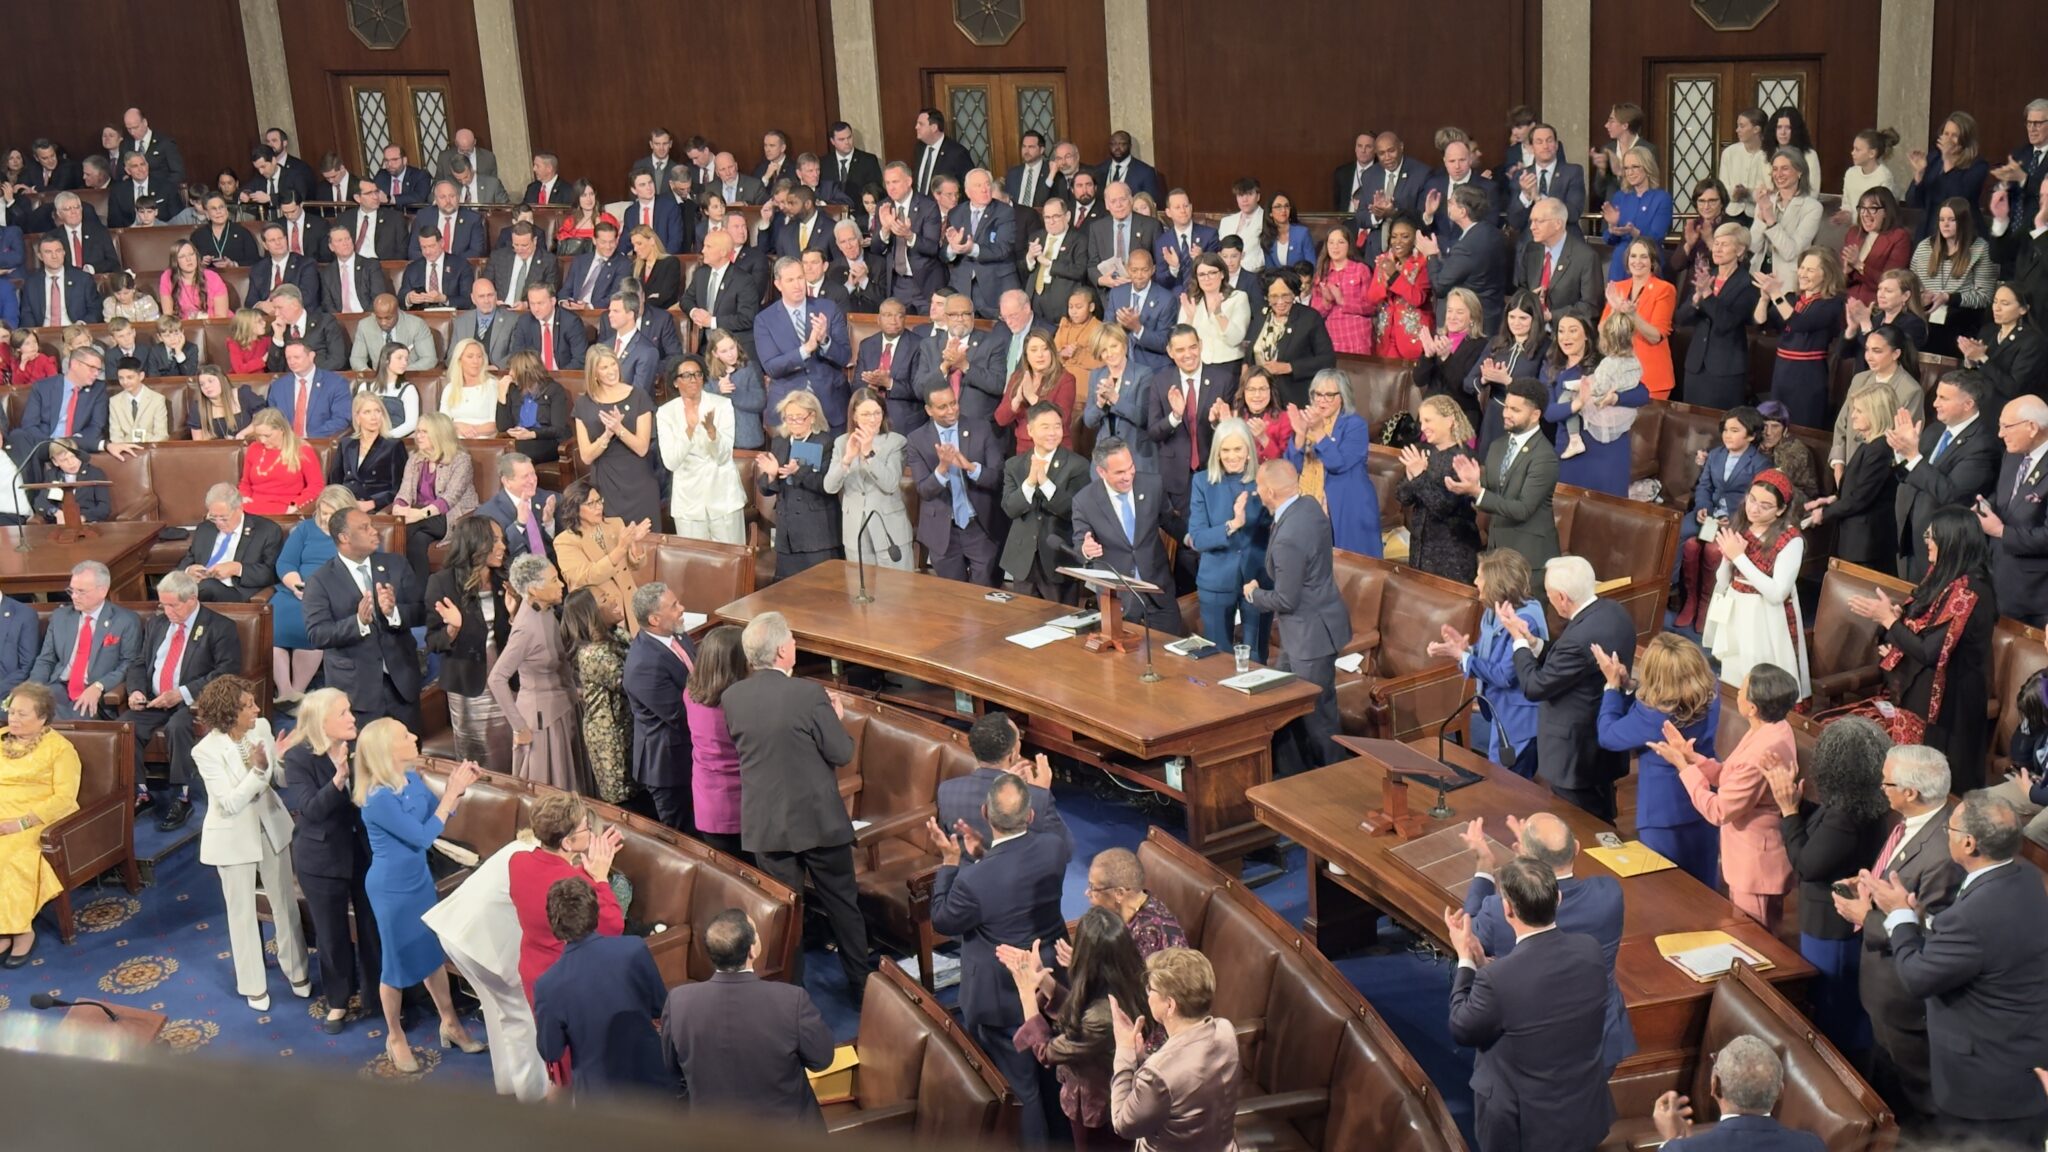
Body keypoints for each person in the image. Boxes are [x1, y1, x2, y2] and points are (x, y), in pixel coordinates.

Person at [1864, 791, 2048, 1145]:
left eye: (1949, 828)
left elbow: (1916, 977)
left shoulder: (1972, 917)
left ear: (1968, 843)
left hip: (1983, 1091)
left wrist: (1899, 916)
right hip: (2021, 1067)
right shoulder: (2025, 879)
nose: (1945, 834)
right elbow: (1983, 941)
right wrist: (1923, 920)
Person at [720, 612, 870, 994]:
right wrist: (836, 720)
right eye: (792, 640)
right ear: (782, 651)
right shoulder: (808, 695)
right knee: (843, 907)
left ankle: (791, 995)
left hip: (767, 825)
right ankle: (860, 988)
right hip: (818, 822)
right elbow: (841, 753)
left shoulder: (732, 698)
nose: (795, 645)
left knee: (786, 917)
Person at [927, 773, 1072, 1142]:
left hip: (1002, 997)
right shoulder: (1054, 848)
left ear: (984, 813)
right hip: (1053, 982)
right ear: (1030, 816)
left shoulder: (973, 881)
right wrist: (983, 854)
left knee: (1023, 1091)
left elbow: (943, 919)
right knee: (1058, 1080)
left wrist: (950, 862)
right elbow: (1014, 874)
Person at [1444, 857, 1613, 1152]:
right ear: (1557, 899)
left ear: (1507, 909)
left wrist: (1466, 960)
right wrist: (1485, 964)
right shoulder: (1590, 949)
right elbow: (1536, 996)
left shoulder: (1498, 980)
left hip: (1523, 1129)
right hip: (1581, 1113)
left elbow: (1462, 1027)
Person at [1835, 743, 1960, 1124]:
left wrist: (1865, 915)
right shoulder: (1913, 822)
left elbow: (1931, 940)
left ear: (1910, 792)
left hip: (1906, 1004)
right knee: (1888, 1089)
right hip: (1884, 995)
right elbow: (1900, 892)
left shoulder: (1944, 854)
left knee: (1915, 1106)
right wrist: (1869, 888)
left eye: (1886, 782)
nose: (1880, 787)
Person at [1459, 812, 1635, 1075]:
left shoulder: (1501, 911)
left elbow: (1468, 933)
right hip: (1599, 1042)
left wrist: (1484, 864)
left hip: (1532, 1052)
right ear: (1576, 848)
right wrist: (1530, 858)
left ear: (1524, 856)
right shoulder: (1609, 895)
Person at [1846, 505, 1998, 790]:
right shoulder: (1942, 574)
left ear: (1952, 540)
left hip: (1952, 704)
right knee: (1909, 776)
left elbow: (1931, 651)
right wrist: (1898, 618)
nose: (1927, 542)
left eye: (1932, 536)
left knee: (1939, 781)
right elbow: (1924, 624)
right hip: (1919, 690)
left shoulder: (1970, 590)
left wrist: (1889, 620)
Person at [1766, 715, 1892, 1057]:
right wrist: (1795, 804)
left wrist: (1789, 812)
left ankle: (1843, 1074)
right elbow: (1821, 825)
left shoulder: (1847, 816)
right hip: (1838, 925)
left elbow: (1807, 865)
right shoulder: (1861, 802)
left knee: (1834, 1013)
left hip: (1832, 928)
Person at [192, 676, 311, 1012]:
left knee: (285, 903)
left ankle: (297, 970)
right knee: (242, 913)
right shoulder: (205, 751)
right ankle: (253, 984)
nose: (257, 709)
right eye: (248, 706)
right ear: (229, 713)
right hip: (232, 837)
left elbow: (279, 779)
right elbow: (229, 803)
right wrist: (258, 772)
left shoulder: (261, 728)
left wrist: (282, 759)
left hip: (271, 826)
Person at [1651, 662, 1799, 931]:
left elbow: (1718, 810)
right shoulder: (1772, 727)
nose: (1737, 692)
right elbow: (1731, 776)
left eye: (1742, 688)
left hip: (1755, 865)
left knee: (1753, 940)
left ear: (1752, 708)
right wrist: (1692, 758)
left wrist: (1683, 768)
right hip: (1754, 854)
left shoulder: (1761, 751)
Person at [660, 908, 836, 1123]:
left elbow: (673, 1069)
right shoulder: (791, 1000)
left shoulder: (678, 1001)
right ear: (752, 950)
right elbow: (821, 1060)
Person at [1495, 555, 1637, 820]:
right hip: (1603, 737)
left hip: (1576, 754)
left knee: (1580, 824)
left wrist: (1518, 642)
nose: (1548, 600)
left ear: (1562, 597)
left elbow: (1535, 686)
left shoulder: (1578, 639)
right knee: (1602, 817)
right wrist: (1533, 642)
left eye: (1549, 595)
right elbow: (1570, 665)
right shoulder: (1614, 612)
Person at [277, 687, 381, 1033]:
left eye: (350, 710)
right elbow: (310, 810)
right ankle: (338, 1000)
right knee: (332, 934)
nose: (352, 718)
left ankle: (376, 995)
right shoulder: (299, 757)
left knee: (372, 927)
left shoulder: (361, 747)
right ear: (322, 722)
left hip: (363, 852)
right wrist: (339, 779)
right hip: (321, 859)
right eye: (343, 713)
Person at [1243, 460, 1350, 772]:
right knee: (1282, 704)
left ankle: (1340, 778)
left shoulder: (1289, 537)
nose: (1256, 492)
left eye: (1259, 486)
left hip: (1310, 637)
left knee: (1318, 717)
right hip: (1307, 631)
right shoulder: (1309, 505)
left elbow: (1286, 599)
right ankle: (1292, 774)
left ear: (1270, 491)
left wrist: (1253, 594)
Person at [120, 570, 238, 830]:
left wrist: (182, 693)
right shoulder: (157, 624)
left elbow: (226, 672)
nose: (168, 611)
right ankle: (141, 793)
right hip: (154, 699)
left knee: (177, 727)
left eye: (173, 605)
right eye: (163, 604)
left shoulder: (220, 626)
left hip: (195, 702)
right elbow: (139, 662)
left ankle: (181, 796)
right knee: (125, 727)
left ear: (192, 599)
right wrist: (136, 690)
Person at [531, 879, 666, 1101]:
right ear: (595, 912)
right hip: (651, 1075)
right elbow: (660, 1006)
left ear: (555, 926)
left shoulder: (548, 985)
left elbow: (551, 1050)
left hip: (599, 1093)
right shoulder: (634, 948)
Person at [1107, 946, 1239, 1151]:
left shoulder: (1157, 1074)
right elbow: (1185, 1080)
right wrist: (1142, 1058)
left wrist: (1124, 1052)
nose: (1147, 995)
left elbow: (1122, 1123)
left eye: (1150, 989)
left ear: (1170, 1005)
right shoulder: (1225, 1029)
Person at [304, 507, 424, 731]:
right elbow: (317, 634)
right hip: (356, 694)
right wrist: (358, 622)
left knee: (408, 750)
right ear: (344, 537)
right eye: (364, 527)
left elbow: (421, 611)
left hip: (402, 686)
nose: (374, 531)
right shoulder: (320, 582)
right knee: (363, 754)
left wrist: (394, 613)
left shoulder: (396, 565)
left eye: (372, 525)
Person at [508, 794, 625, 1009]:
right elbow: (613, 926)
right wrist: (600, 878)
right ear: (567, 842)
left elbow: (552, 879)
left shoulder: (517, 861)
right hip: (570, 980)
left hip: (534, 972)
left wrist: (587, 872)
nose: (590, 831)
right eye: (586, 827)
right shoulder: (575, 882)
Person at [1701, 471, 1810, 697]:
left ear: (1780, 509)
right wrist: (1727, 559)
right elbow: (1723, 581)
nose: (1754, 509)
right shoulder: (1742, 526)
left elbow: (1777, 593)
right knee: (1734, 675)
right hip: (1736, 609)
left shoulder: (1790, 540)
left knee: (1761, 680)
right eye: (1752, 499)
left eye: (1765, 505)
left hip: (1765, 617)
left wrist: (1739, 557)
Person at [1890, 371, 2000, 582]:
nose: (1935, 403)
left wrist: (1913, 456)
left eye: (1944, 398)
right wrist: (1901, 452)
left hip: (1941, 546)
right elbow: (1907, 475)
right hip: (1909, 536)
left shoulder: (1982, 445)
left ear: (1968, 404)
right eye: (1937, 396)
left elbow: (1954, 496)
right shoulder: (1935, 430)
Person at [0, 684, 78, 969]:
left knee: (9, 855)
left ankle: (21, 930)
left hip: (32, 820)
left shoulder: (60, 749)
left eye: (22, 714)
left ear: (42, 718)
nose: (13, 718)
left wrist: (19, 823)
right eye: (12, 712)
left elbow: (64, 799)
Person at [1073, 438, 1184, 638]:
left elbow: (1170, 522)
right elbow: (1080, 542)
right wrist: (1086, 549)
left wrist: (1194, 539)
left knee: (1170, 649)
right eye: (1119, 472)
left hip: (1158, 590)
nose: (1127, 476)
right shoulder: (1084, 501)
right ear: (1101, 472)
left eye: (1130, 467)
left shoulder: (1152, 485)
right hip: (1118, 597)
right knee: (1124, 654)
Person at [424, 515, 512, 768]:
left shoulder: (506, 578)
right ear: (476, 542)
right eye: (495, 540)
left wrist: (515, 615)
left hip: (508, 682)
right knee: (480, 761)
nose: (502, 546)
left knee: (514, 753)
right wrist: (454, 628)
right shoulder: (443, 582)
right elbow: (433, 641)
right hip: (470, 686)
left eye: (502, 539)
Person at [490, 554, 579, 792]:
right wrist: (519, 727)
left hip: (561, 708)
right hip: (542, 724)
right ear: (534, 590)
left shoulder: (543, 609)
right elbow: (496, 679)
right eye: (554, 580)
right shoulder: (526, 628)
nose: (561, 584)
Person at [1182, 417, 1269, 660]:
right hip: (1216, 581)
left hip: (1257, 581)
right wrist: (1233, 525)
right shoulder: (1202, 482)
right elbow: (1198, 538)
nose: (1232, 456)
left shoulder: (1263, 479)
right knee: (1217, 659)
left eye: (1238, 449)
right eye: (1225, 450)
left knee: (1256, 659)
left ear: (1249, 451)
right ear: (1217, 453)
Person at [1650, 1035, 1826, 1152]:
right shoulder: (1812, 1146)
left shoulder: (1680, 1150)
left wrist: (1673, 1140)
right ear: (1780, 1091)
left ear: (1715, 1086)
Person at [1676, 409, 1769, 631]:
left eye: (1735, 430)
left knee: (1712, 550)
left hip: (1737, 519)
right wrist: (1703, 508)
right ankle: (1688, 598)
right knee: (1682, 539)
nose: (1727, 435)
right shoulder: (1716, 455)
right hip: (1709, 515)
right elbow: (1704, 486)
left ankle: (1706, 603)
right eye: (1726, 430)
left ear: (1751, 435)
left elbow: (1755, 499)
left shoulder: (1760, 463)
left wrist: (1733, 517)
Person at [620, 582, 698, 835]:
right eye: (674, 606)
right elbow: (679, 714)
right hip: (667, 766)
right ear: (654, 619)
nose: (682, 608)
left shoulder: (677, 634)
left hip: (688, 752)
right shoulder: (644, 664)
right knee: (682, 836)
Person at [907, 384, 1003, 587]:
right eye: (942, 407)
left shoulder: (982, 428)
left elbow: (997, 478)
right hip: (942, 531)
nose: (951, 410)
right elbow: (924, 490)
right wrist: (942, 468)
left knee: (984, 593)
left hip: (979, 526)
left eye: (953, 403)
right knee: (953, 595)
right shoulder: (916, 440)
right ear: (929, 410)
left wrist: (970, 467)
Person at [269, 486, 356, 705]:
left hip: (330, 596)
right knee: (271, 627)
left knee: (311, 624)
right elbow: (285, 562)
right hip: (294, 592)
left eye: (331, 514)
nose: (325, 519)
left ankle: (298, 692)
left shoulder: (357, 534)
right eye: (322, 512)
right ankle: (285, 692)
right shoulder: (305, 529)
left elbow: (364, 568)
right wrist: (295, 584)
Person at [27, 560, 143, 721]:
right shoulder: (60, 617)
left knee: (54, 717)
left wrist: (99, 686)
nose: (74, 596)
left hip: (96, 692)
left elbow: (129, 663)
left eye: (81, 591)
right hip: (60, 686)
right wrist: (31, 690)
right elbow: (46, 659)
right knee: (26, 709)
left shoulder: (125, 621)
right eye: (71, 590)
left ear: (102, 591)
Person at [1283, 369, 1378, 556]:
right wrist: (1300, 434)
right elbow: (1290, 469)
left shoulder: (1355, 425)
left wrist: (1319, 431)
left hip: (1347, 508)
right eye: (1318, 394)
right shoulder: (1306, 421)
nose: (1322, 400)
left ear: (1342, 397)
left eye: (1329, 395)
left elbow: (1337, 464)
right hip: (1307, 505)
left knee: (1348, 569)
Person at [1753, 246, 1848, 430]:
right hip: (1782, 372)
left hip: (1807, 376)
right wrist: (1764, 298)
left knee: (1803, 428)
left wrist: (1775, 294)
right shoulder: (1792, 299)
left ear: (1826, 274)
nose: (1802, 274)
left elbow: (1799, 323)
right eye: (1802, 268)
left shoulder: (1832, 303)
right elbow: (1761, 323)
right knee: (1775, 425)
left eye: (1810, 270)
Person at [1808, 388, 1902, 571]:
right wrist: (1833, 499)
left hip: (1865, 546)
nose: (1853, 416)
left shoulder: (1880, 450)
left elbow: (1861, 497)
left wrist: (1825, 513)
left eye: (1859, 411)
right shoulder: (1870, 445)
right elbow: (1857, 488)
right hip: (1855, 539)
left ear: (1875, 413)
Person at [657, 355, 746, 545]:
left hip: (724, 497)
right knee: (695, 560)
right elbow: (671, 462)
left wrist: (712, 432)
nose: (693, 380)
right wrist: (689, 430)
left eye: (698, 374)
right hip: (689, 502)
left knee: (732, 558)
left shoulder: (721, 405)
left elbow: (724, 456)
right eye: (687, 375)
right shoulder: (666, 413)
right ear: (675, 382)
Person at [754, 389, 842, 581]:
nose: (794, 422)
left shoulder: (826, 443)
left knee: (820, 587)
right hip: (788, 535)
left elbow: (826, 486)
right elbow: (765, 489)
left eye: (799, 417)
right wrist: (771, 475)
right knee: (787, 589)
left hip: (817, 534)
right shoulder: (780, 441)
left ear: (812, 416)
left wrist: (798, 472)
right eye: (789, 417)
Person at [570, 344, 660, 529]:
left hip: (639, 482)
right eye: (604, 367)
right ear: (594, 373)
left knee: (646, 539)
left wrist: (619, 429)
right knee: (613, 539)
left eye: (613, 364)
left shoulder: (638, 396)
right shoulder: (583, 404)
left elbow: (642, 448)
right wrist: (607, 435)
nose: (611, 371)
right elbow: (586, 456)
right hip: (606, 484)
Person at [1978, 394, 2048, 625]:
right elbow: (2004, 498)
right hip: (1995, 577)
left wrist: (2000, 531)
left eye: (2007, 426)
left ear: (2032, 427)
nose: (2000, 434)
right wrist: (1985, 507)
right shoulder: (2012, 455)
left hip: (2033, 596)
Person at [1397, 395, 1481, 583]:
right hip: (1419, 550)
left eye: (1428, 420)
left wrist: (1419, 476)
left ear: (1449, 421)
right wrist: (1411, 476)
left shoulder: (1463, 458)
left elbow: (1442, 506)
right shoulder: (1422, 450)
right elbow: (1402, 496)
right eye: (1422, 421)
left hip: (1452, 554)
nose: (1423, 427)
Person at [391, 412, 477, 586]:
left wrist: (419, 514)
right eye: (418, 431)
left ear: (440, 433)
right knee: (417, 542)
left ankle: (391, 579)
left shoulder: (461, 460)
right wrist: (399, 507)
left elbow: (450, 499)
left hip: (451, 516)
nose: (418, 436)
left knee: (401, 528)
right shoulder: (415, 459)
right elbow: (404, 491)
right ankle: (420, 595)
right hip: (419, 518)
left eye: (424, 432)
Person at [563, 590, 630, 805]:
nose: (614, 599)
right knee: (627, 804)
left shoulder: (616, 635)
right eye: (604, 599)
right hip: (612, 741)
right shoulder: (593, 654)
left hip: (626, 730)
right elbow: (631, 684)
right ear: (590, 614)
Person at [1910, 196, 1996, 357]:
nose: (1945, 224)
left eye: (1951, 220)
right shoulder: (1924, 247)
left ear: (1964, 222)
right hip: (1925, 318)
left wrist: (1949, 297)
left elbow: (1985, 296)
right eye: (1942, 219)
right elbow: (1912, 285)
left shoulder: (1980, 249)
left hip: (1962, 321)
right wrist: (1921, 296)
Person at [1469, 291, 1549, 456]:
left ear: (1535, 319)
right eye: (1512, 317)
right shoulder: (1496, 343)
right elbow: (1468, 382)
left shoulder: (1546, 347)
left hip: (1524, 421)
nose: (1516, 323)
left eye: (1523, 318)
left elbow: (1543, 393)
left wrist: (1508, 381)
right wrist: (1485, 379)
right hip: (1493, 417)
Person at [1246, 268, 1335, 409]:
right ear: (1267, 297)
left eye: (1285, 296)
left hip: (1293, 399)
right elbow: (1249, 354)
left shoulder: (1309, 318)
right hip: (1260, 399)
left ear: (1294, 294)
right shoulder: (1259, 316)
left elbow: (1327, 360)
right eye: (1274, 296)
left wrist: (1289, 367)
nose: (1280, 302)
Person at [1959, 282, 2047, 409]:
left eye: (2005, 304)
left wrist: (1982, 358)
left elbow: (2013, 388)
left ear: (2023, 309)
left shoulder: (2032, 341)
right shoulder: (1988, 331)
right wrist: (1971, 361)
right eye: (1995, 302)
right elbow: (1974, 376)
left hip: (2008, 407)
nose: (1996, 308)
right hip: (1979, 401)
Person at [1906, 112, 1990, 242]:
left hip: (1961, 234)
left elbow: (1957, 197)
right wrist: (1919, 174)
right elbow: (1913, 202)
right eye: (1946, 134)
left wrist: (1948, 160)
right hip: (1929, 231)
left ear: (1966, 139)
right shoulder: (1933, 159)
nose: (1948, 140)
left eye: (1954, 135)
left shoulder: (1978, 166)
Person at [1412, 286, 1488, 425]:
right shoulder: (1437, 338)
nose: (1452, 317)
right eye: (1450, 310)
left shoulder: (1480, 345)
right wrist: (1428, 356)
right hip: (1430, 416)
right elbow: (1419, 380)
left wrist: (1447, 358)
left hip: (1461, 419)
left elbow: (1464, 388)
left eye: (1459, 312)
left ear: (1472, 317)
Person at [1363, 214, 1434, 361]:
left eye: (1405, 236)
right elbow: (1372, 298)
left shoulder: (1423, 262)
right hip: (1386, 337)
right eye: (1394, 237)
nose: (1398, 241)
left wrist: (1395, 276)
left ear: (1415, 239)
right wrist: (1386, 282)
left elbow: (1417, 298)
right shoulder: (1383, 260)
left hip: (1413, 337)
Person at [1600, 147, 1673, 282]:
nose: (1630, 172)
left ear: (1647, 167)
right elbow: (1608, 239)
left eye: (1635, 167)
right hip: (1620, 263)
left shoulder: (1662, 198)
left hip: (1648, 261)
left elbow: (1657, 236)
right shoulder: (1620, 197)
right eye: (1626, 168)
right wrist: (1612, 227)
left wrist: (1634, 232)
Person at [234, 408, 322, 517]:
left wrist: (296, 504)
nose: (262, 440)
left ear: (281, 429)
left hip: (284, 508)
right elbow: (245, 483)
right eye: (259, 435)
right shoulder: (254, 448)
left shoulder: (302, 450)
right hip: (252, 506)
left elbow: (316, 486)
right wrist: (243, 497)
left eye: (267, 435)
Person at [1750, 149, 1823, 275]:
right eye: (1775, 169)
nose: (1778, 174)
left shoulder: (1812, 208)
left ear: (1799, 171)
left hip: (1788, 279)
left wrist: (1770, 220)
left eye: (1784, 168)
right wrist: (1761, 220)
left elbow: (1791, 252)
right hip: (1758, 274)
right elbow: (1753, 246)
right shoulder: (1766, 201)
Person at [329, 393, 403, 512]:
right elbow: (334, 483)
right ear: (357, 417)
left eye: (377, 411)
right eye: (367, 412)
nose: (374, 417)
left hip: (375, 508)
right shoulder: (346, 444)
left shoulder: (393, 446)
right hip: (346, 506)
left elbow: (399, 488)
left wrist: (372, 503)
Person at [1842, 187, 1912, 305]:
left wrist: (1858, 265)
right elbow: (1838, 282)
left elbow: (1891, 281)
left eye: (1872, 208)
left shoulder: (1899, 237)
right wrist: (1846, 272)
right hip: (1846, 299)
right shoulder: (1854, 233)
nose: (1865, 214)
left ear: (1886, 212)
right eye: (1862, 208)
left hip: (1876, 303)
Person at [189, 364, 262, 440]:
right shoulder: (198, 407)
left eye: (210, 381)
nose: (206, 386)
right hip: (217, 447)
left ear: (223, 380)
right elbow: (198, 442)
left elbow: (262, 421)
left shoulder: (244, 394)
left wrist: (243, 434)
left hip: (248, 444)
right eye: (202, 384)